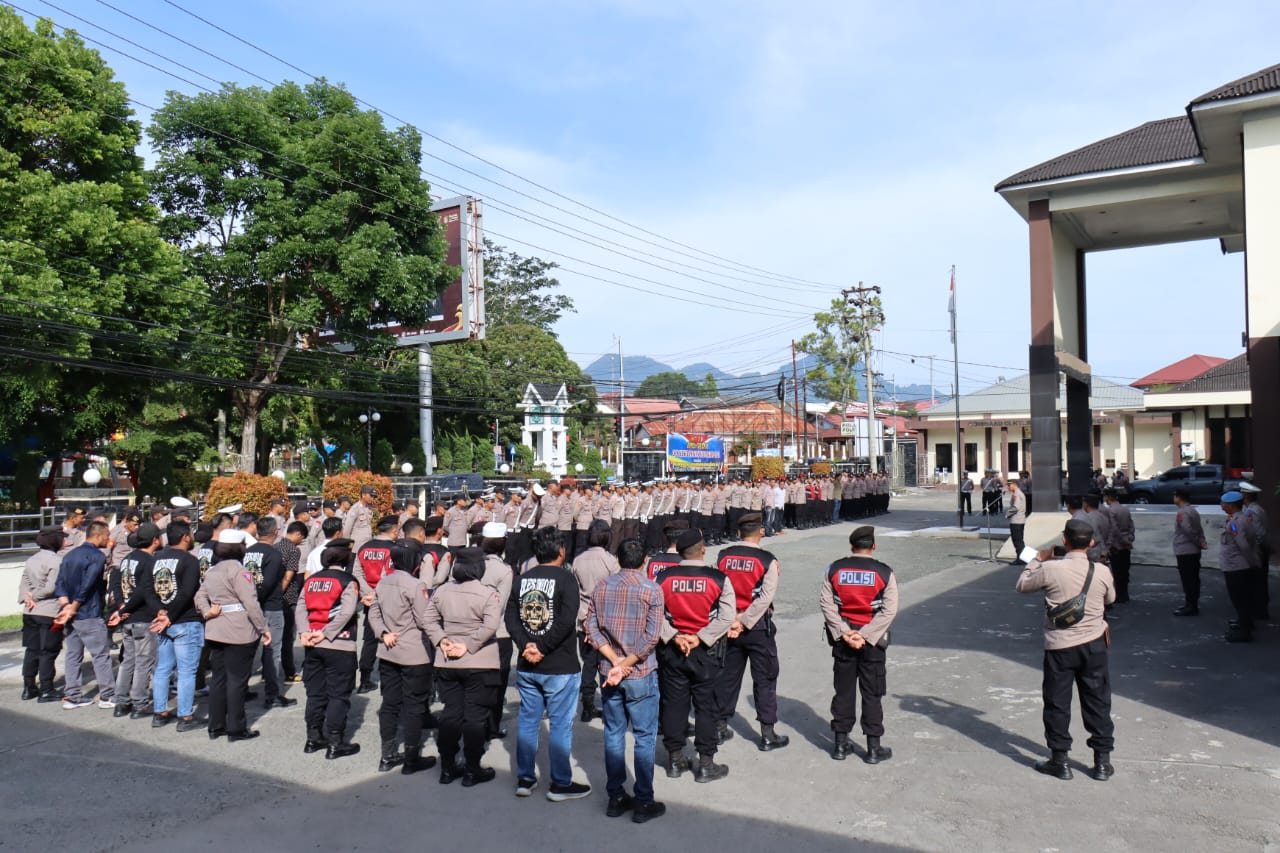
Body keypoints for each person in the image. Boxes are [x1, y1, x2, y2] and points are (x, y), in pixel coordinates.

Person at [1015, 519, 1116, 781]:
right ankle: (1102, 762)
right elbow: (1111, 599)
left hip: (1060, 645)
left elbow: (1022, 586)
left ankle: (1060, 760)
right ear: (1091, 543)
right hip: (1094, 644)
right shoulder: (1102, 571)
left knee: (1057, 702)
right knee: (1097, 701)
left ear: (1064, 541)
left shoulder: (1050, 569)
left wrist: (1037, 559)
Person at [585, 537, 666, 823]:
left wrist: (614, 660)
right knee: (644, 737)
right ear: (644, 560)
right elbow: (651, 637)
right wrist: (627, 662)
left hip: (610, 672)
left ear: (618, 559)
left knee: (614, 734)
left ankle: (616, 797)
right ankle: (644, 800)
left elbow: (590, 626)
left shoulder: (602, 587)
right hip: (640, 672)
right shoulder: (651, 590)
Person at [507, 527, 591, 801]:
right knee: (559, 725)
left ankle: (525, 778)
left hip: (528, 663)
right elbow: (567, 620)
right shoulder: (566, 579)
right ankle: (560, 783)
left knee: (529, 722)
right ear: (561, 551)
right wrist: (539, 647)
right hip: (559, 665)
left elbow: (511, 618)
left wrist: (527, 645)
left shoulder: (522, 579)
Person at [654, 527, 736, 782]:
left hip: (673, 651)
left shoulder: (663, 578)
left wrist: (675, 636)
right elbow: (726, 616)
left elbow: (654, 614)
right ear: (703, 550)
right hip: (706, 652)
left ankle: (675, 760)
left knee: (674, 705)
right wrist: (700, 637)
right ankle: (706, 763)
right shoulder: (718, 578)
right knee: (706, 707)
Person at [425, 547, 504, 786]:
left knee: (451, 714)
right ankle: (472, 768)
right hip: (480, 661)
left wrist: (442, 639)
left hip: (447, 660)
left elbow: (427, 619)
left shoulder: (442, 591)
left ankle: (447, 767)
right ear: (480, 568)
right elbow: (491, 625)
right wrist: (469, 645)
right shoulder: (488, 594)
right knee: (475, 717)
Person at [819, 526, 898, 763]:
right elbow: (889, 610)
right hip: (872, 644)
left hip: (843, 641)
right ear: (873, 546)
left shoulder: (835, 568)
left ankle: (841, 745)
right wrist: (865, 635)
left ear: (851, 546)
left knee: (843, 692)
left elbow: (826, 603)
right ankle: (874, 748)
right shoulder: (884, 572)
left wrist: (845, 632)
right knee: (872, 694)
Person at [713, 513, 788, 751]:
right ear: (761, 532)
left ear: (738, 533)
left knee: (727, 678)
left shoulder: (723, 556)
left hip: (729, 626)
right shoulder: (767, 560)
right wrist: (745, 621)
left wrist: (732, 620)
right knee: (765, 678)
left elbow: (719, 591)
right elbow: (766, 597)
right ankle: (767, 734)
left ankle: (720, 727)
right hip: (756, 627)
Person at [368, 550, 438, 775]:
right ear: (415, 564)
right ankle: (411, 757)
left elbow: (373, 614)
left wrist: (383, 633)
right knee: (414, 705)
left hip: (389, 650)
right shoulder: (416, 585)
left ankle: (387, 755)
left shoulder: (383, 582)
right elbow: (424, 618)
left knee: (389, 704)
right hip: (414, 652)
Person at [197, 528, 270, 739]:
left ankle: (215, 725)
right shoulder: (240, 571)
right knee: (237, 681)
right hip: (239, 630)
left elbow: (199, 596)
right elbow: (251, 603)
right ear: (240, 548)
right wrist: (263, 628)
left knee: (219, 679)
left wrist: (206, 612)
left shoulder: (212, 571)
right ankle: (236, 728)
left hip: (216, 629)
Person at [298, 539, 363, 758]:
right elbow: (347, 612)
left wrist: (305, 632)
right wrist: (326, 633)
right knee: (338, 695)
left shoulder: (312, 580)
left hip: (312, 643)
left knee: (315, 693)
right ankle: (336, 742)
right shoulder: (347, 580)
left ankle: (312, 737)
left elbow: (300, 608)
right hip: (340, 643)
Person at [54, 520, 115, 709]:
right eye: (107, 535)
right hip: (89, 612)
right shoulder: (97, 556)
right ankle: (108, 695)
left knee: (73, 655)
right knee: (100, 655)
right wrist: (74, 606)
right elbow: (87, 586)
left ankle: (72, 695)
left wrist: (66, 606)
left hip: (71, 614)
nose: (109, 539)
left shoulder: (70, 555)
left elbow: (60, 583)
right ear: (98, 535)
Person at [148, 521, 204, 727]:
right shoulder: (189, 561)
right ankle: (185, 715)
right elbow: (187, 592)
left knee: (163, 669)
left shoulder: (156, 559)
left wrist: (159, 610)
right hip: (185, 621)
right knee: (186, 671)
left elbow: (147, 589)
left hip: (163, 621)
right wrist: (168, 614)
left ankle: (160, 712)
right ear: (185, 537)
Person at [106, 522, 162, 719]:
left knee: (127, 660)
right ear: (155, 540)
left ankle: (121, 701)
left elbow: (117, 586)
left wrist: (121, 606)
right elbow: (143, 591)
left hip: (128, 618)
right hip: (143, 616)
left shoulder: (128, 559)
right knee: (143, 661)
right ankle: (139, 702)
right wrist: (127, 607)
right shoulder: (149, 562)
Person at [570, 520, 619, 723]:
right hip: (606, 620)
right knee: (607, 663)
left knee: (588, 664)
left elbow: (575, 590)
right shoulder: (611, 561)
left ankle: (587, 705)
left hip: (584, 618)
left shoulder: (578, 560)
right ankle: (609, 705)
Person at [245, 517, 295, 709]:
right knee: (272, 650)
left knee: (249, 649)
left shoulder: (248, 552)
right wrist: (256, 599)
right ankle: (272, 695)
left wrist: (250, 600)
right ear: (275, 532)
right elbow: (268, 583)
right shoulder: (274, 555)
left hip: (251, 605)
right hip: (270, 606)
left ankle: (243, 690)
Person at [355, 515, 401, 694]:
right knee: (391, 634)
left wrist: (369, 592)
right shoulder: (395, 549)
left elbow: (357, 573)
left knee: (370, 638)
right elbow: (392, 574)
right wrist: (379, 593)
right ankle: (389, 675)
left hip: (369, 599)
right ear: (395, 530)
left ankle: (364, 678)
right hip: (389, 598)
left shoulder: (364, 548)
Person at [19, 526, 65, 702]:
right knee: (48, 650)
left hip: (30, 611)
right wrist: (36, 597)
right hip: (48, 611)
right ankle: (46, 688)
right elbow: (51, 587)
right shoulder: (56, 561)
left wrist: (27, 598)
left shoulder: (32, 559)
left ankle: (29, 687)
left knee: (32, 649)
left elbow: (24, 582)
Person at [1219, 491, 1259, 643]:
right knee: (1243, 599)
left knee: (1240, 600)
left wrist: (1251, 563)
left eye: (1223, 504)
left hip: (1236, 566)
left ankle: (1244, 632)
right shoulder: (1241, 518)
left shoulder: (1236, 522)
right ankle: (1245, 624)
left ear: (1231, 505)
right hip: (1238, 565)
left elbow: (1243, 545)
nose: (1222, 506)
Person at [277, 521, 308, 683]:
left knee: (274, 638)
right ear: (298, 535)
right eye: (301, 539)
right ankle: (289, 672)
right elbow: (289, 576)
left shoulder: (275, 546)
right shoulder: (293, 550)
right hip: (287, 598)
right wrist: (280, 593)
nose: (300, 543)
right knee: (288, 637)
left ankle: (268, 671)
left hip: (272, 598)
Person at [1171, 488, 1207, 616]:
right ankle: (1191, 604)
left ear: (1179, 497)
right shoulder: (1193, 511)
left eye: (1175, 496)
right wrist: (1202, 542)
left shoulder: (1182, 512)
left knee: (1188, 580)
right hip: (1193, 550)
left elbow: (1188, 530)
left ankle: (1190, 606)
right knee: (1193, 578)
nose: (1173, 498)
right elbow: (1199, 529)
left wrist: (1198, 541)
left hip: (1185, 550)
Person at [1239, 481, 1271, 620]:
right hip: (1262, 549)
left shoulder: (1251, 512)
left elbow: (1259, 533)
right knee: (1260, 580)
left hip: (1258, 551)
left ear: (1245, 495)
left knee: (1257, 581)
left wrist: (1254, 550)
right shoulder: (1258, 509)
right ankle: (1260, 608)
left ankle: (1259, 610)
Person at [1102, 489, 1135, 603]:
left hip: (1116, 544)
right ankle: (1125, 593)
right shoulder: (1125, 509)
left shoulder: (1110, 511)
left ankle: (1119, 594)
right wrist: (1129, 539)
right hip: (1127, 542)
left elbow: (1114, 529)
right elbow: (1131, 525)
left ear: (1107, 498)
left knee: (1117, 571)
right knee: (1125, 570)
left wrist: (1121, 540)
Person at [1006, 480, 1027, 564]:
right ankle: (1021, 558)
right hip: (1019, 520)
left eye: (1009, 485)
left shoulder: (1017, 494)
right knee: (1019, 540)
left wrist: (1007, 514)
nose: (1008, 487)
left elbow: (1015, 507)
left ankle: (1020, 559)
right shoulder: (1017, 493)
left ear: (1014, 485)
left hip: (1016, 521)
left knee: (1017, 540)